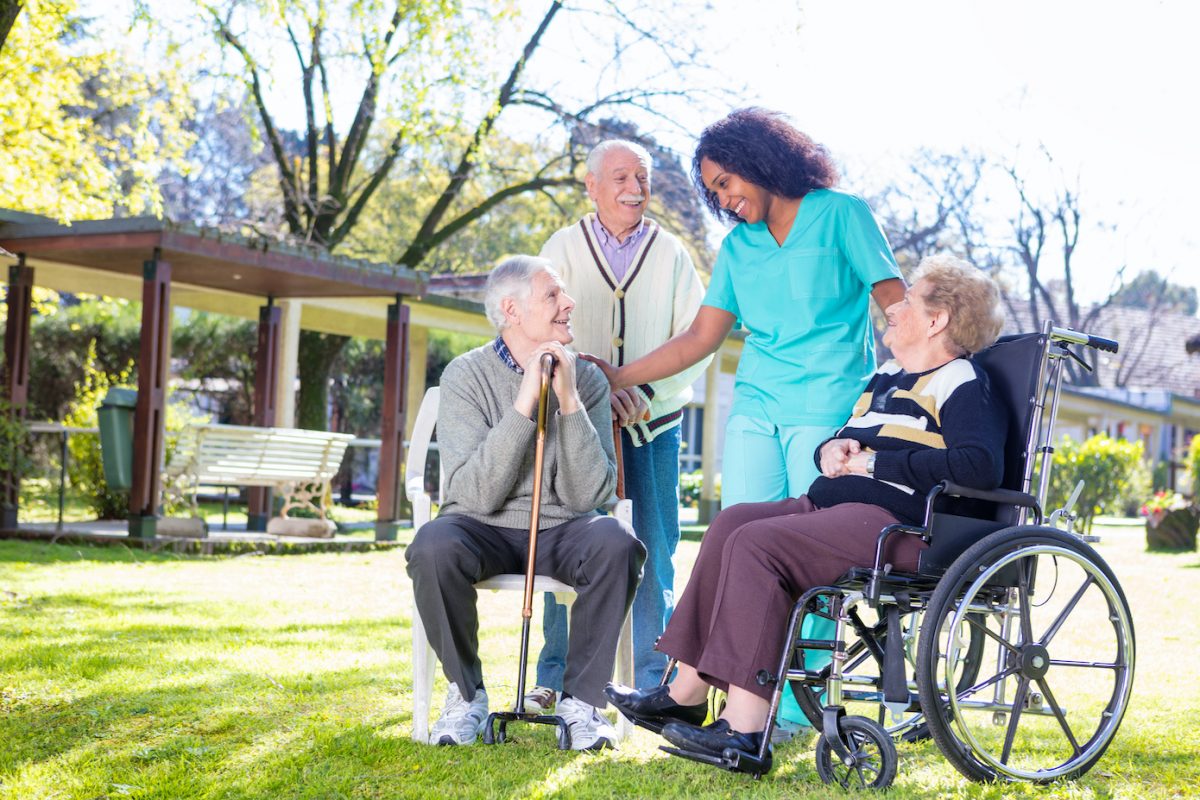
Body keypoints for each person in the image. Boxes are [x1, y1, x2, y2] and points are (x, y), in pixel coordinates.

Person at [604, 255, 1007, 769]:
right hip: (839, 508)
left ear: (937, 320)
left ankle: (747, 730)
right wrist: (829, 452)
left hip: (899, 526)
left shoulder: (960, 381)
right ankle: (684, 693)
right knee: (731, 524)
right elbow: (848, 440)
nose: (894, 306)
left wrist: (876, 461)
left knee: (759, 544)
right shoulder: (886, 377)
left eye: (909, 299)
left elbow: (979, 465)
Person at [581, 107, 906, 735]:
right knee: (736, 543)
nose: (725, 200)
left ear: (761, 161)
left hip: (830, 406)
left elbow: (895, 301)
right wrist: (614, 378)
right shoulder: (739, 247)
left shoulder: (842, 214)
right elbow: (702, 336)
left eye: (727, 182)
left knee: (807, 551)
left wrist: (928, 374)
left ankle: (787, 708)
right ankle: (708, 690)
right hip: (755, 403)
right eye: (714, 192)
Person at [405, 256, 646, 750]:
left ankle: (581, 704)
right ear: (512, 310)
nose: (569, 304)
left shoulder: (589, 381)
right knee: (432, 544)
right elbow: (474, 494)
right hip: (481, 527)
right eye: (553, 295)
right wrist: (523, 402)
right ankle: (466, 695)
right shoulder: (465, 376)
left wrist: (569, 402)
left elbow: (589, 495)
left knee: (616, 541)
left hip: (564, 529)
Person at [526, 139, 710, 708]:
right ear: (592, 186)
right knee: (568, 546)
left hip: (653, 427)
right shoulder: (561, 247)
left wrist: (645, 392)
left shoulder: (673, 252)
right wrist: (586, 391)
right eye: (621, 177)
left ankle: (653, 680)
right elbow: (538, 326)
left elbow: (698, 341)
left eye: (643, 178)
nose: (635, 189)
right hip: (574, 426)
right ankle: (554, 678)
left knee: (654, 548)